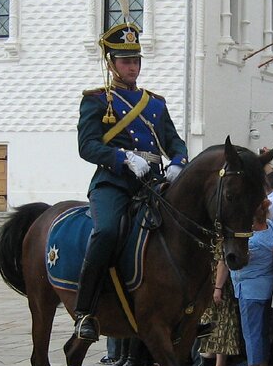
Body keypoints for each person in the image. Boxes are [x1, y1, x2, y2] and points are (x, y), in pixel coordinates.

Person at [71, 20, 188, 342]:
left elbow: (174, 142)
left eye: (136, 60)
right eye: (125, 61)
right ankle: (86, 311)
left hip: (152, 182)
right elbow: (87, 146)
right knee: (107, 231)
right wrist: (123, 158)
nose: (132, 66)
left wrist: (179, 162)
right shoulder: (96, 100)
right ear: (111, 64)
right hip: (114, 183)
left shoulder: (154, 103)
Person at [228, 198, 273, 366]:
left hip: (249, 289)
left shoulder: (251, 240)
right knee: (263, 332)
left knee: (251, 334)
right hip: (267, 286)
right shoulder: (271, 227)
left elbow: (238, 259)